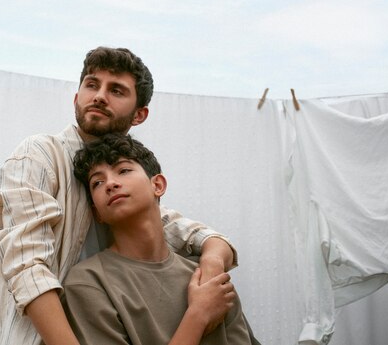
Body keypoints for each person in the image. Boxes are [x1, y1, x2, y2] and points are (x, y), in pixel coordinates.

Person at [0, 47, 238, 345]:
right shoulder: (38, 155)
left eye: (116, 90)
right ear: (76, 98)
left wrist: (212, 268)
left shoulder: (126, 186)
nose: (100, 96)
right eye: (92, 84)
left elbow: (183, 230)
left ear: (139, 114)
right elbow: (27, 267)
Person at [64, 134, 259, 345]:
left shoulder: (208, 277)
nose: (110, 184)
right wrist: (198, 315)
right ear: (97, 213)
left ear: (158, 185)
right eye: (97, 182)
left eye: (124, 170)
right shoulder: (88, 282)